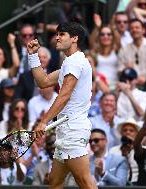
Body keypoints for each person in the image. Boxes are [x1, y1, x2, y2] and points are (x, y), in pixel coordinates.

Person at [27, 22, 97, 189]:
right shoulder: (71, 62)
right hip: (65, 130)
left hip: (73, 130)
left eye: (62, 34)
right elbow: (43, 82)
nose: (57, 37)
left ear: (74, 38)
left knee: (85, 182)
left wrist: (44, 121)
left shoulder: (74, 62)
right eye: (57, 34)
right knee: (55, 181)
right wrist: (32, 56)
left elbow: (64, 94)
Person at [117, 19, 146, 85]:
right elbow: (119, 71)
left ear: (143, 30)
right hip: (132, 85)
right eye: (131, 28)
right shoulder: (124, 50)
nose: (134, 30)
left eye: (137, 27)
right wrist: (126, 69)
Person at [109, 117, 141, 184]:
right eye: (125, 130)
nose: (128, 132)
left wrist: (133, 144)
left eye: (131, 130)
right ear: (121, 133)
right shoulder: (113, 151)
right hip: (117, 184)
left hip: (137, 185)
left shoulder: (144, 150)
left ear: (137, 134)